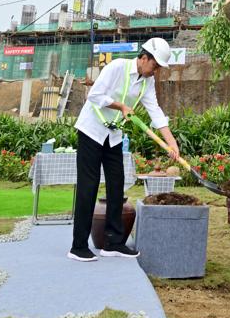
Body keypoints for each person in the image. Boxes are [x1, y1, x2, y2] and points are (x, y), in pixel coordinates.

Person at [68, 37, 180, 262]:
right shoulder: (117, 67)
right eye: (155, 65)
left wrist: (171, 142)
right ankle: (78, 246)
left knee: (117, 185)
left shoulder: (147, 82)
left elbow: (155, 112)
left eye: (158, 67)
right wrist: (121, 106)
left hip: (112, 135)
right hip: (91, 131)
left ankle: (114, 243)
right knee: (88, 187)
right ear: (144, 58)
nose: (155, 71)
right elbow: (94, 95)